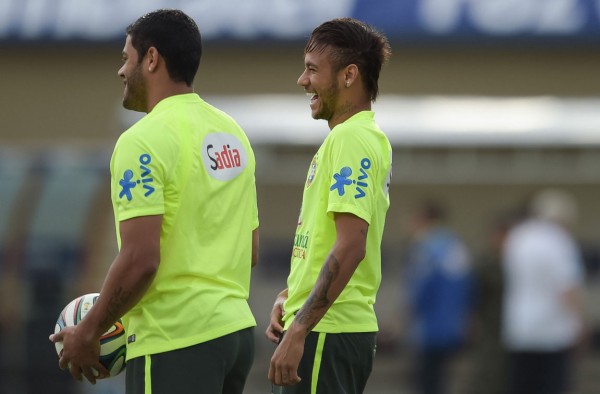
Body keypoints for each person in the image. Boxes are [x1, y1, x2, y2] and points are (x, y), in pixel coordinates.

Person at [49, 9, 259, 394]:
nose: (121, 71)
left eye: (126, 58)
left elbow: (140, 259)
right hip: (236, 333)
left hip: (177, 337)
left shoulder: (141, 140)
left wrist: (90, 330)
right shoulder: (233, 134)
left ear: (151, 58)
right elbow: (251, 250)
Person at [265, 18, 392, 393]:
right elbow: (327, 240)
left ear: (349, 75)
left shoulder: (351, 139)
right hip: (325, 328)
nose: (302, 81)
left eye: (311, 69)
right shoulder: (353, 137)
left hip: (327, 333)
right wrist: (291, 298)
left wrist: (300, 327)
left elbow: (352, 245)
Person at [502, 189, 585, 394]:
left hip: (519, 327)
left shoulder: (517, 237)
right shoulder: (559, 241)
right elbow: (567, 288)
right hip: (552, 331)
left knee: (522, 385)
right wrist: (580, 323)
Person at [402, 200, 474, 394]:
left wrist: (407, 314)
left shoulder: (425, 248)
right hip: (452, 324)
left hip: (428, 326)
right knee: (441, 378)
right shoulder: (456, 246)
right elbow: (469, 287)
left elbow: (420, 290)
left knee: (427, 380)